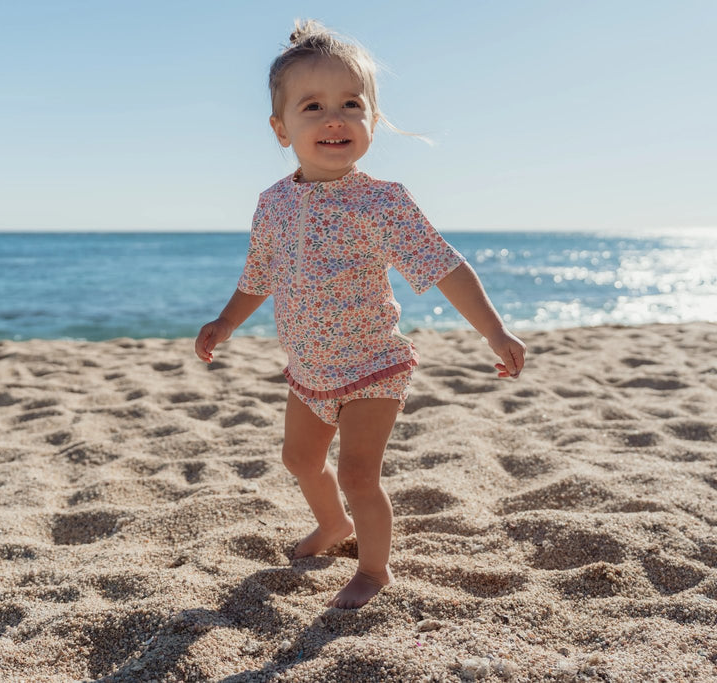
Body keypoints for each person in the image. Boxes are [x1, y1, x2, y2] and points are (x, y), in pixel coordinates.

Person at [194, 20, 526, 609]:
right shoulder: (272, 204)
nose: (334, 119)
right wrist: (225, 322)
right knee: (297, 458)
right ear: (281, 129)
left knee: (357, 476)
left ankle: (374, 570)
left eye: (352, 104)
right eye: (313, 106)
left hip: (374, 365)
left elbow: (445, 266)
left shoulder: (381, 201)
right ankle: (333, 527)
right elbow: (259, 276)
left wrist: (495, 331)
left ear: (372, 119)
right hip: (309, 368)